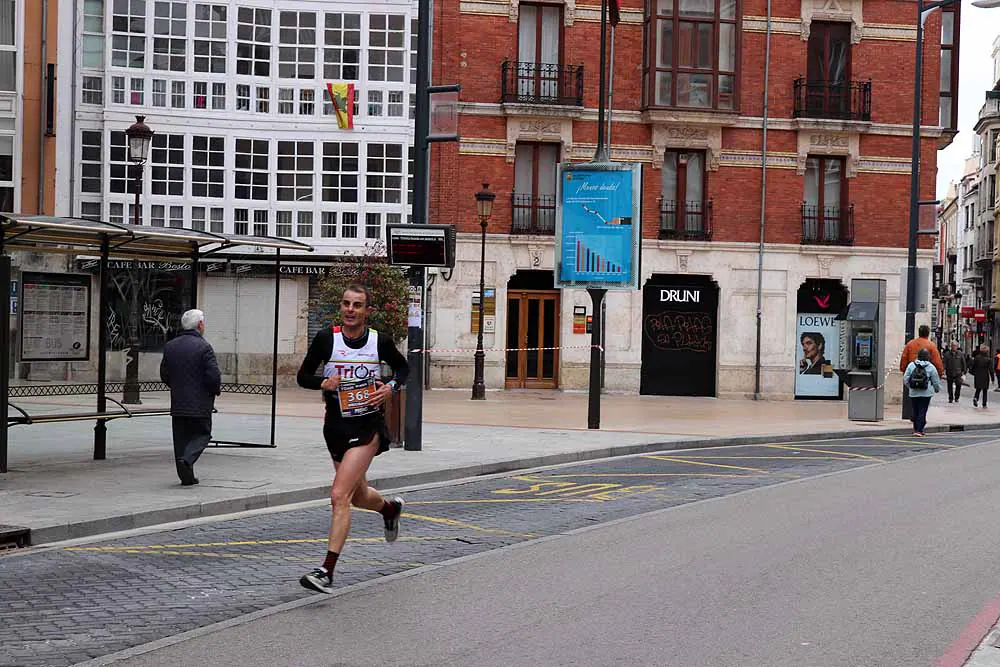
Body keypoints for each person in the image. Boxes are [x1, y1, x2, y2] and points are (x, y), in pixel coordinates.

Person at [296, 284, 409, 594]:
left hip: (366, 426)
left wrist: (391, 388)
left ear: (366, 311)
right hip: (335, 426)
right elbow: (302, 376)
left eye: (357, 305)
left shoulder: (378, 341)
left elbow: (403, 367)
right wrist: (323, 382)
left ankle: (326, 571)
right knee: (357, 496)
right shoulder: (325, 339)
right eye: (346, 303)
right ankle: (389, 509)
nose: (350, 309)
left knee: (339, 496)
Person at [159, 309, 221, 486]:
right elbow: (213, 376)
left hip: (178, 402)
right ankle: (187, 460)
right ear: (200, 325)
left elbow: (164, 374)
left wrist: (178, 387)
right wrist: (214, 390)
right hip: (200, 402)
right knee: (203, 434)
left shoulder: (170, 346)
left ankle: (186, 477)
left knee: (181, 439)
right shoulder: (204, 347)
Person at [902, 347, 941, 436]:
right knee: (922, 410)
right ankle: (920, 430)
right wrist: (936, 389)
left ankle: (916, 429)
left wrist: (910, 387)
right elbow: (935, 380)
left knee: (915, 410)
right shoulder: (931, 367)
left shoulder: (911, 365)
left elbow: (905, 378)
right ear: (928, 357)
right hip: (926, 393)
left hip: (914, 392)